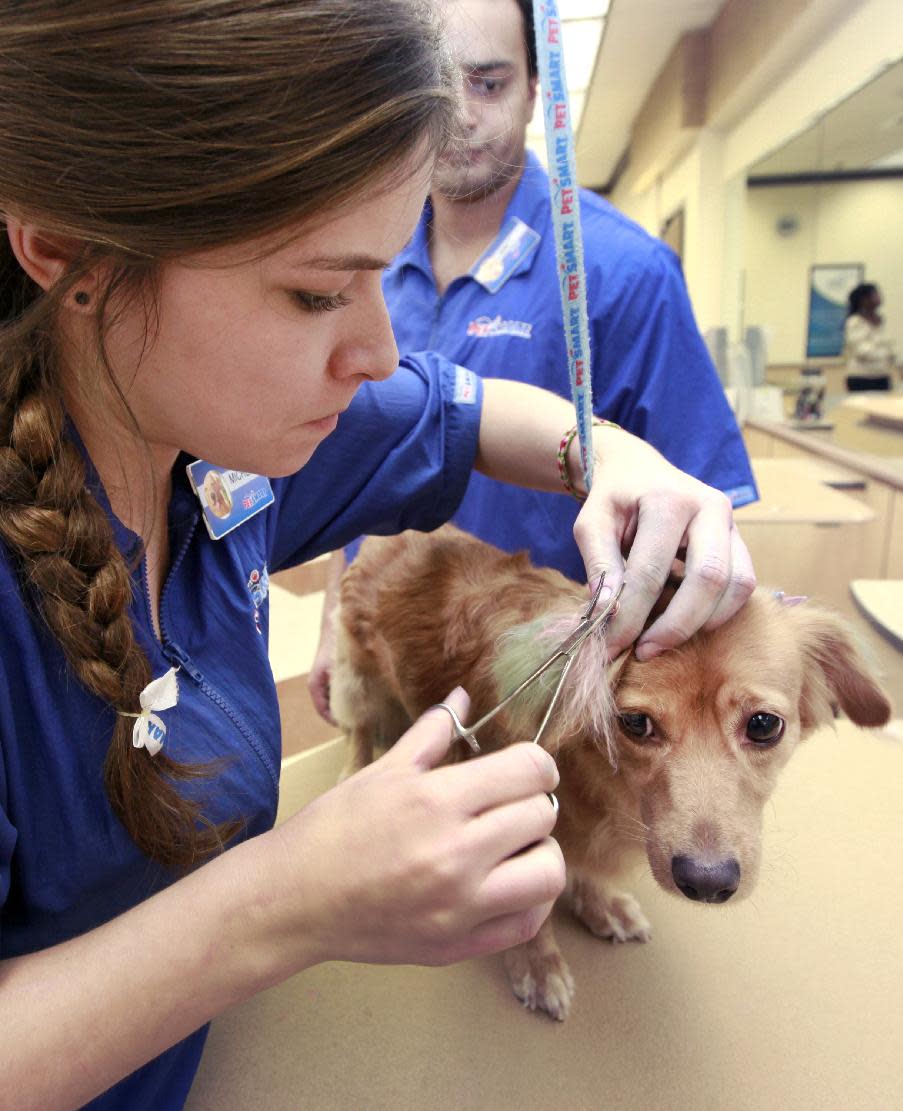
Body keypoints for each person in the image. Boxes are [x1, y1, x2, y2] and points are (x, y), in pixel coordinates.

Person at [0, 2, 755, 1107]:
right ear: (66, 249)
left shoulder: (213, 428)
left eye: (385, 271)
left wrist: (619, 458)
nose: (381, 349)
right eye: (314, 293)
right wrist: (285, 905)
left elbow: (471, 410)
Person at [309, 0, 758, 722]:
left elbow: (702, 528)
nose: (457, 114)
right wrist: (337, 618)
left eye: (487, 83)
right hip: (393, 638)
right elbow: (358, 456)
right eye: (432, 83)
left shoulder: (622, 273)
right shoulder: (365, 265)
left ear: (533, 93)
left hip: (546, 687)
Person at [844, 282, 898, 380]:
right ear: (864, 300)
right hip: (861, 376)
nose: (879, 297)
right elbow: (862, 351)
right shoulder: (855, 322)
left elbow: (890, 346)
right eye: (875, 295)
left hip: (882, 375)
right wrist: (886, 354)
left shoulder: (881, 321)